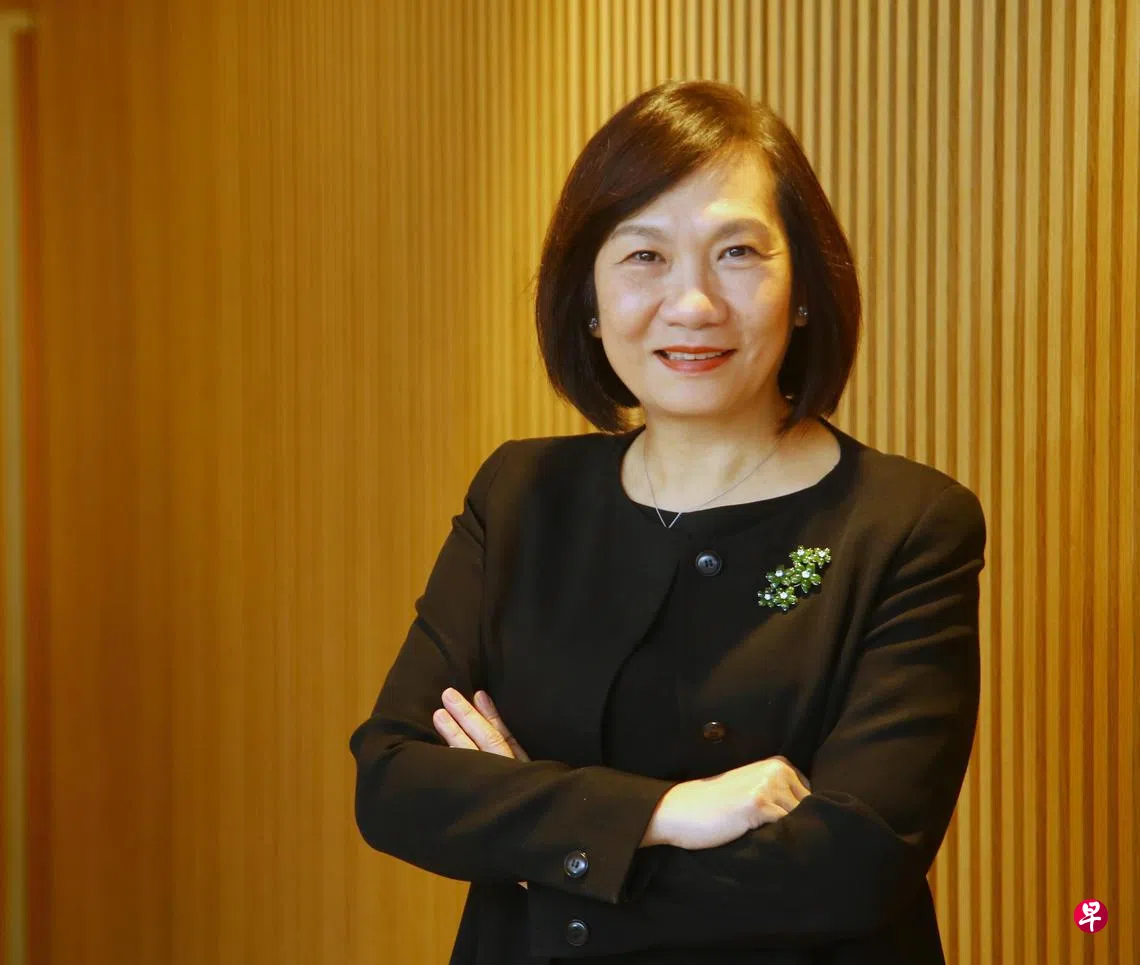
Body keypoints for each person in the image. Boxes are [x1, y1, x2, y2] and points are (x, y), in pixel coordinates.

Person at [349, 79, 986, 964]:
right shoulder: (522, 495)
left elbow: (850, 866)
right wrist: (665, 813)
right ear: (588, 297)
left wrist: (545, 845)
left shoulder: (907, 525)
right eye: (644, 255)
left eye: (738, 252)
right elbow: (395, 780)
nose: (692, 304)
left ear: (804, 287)